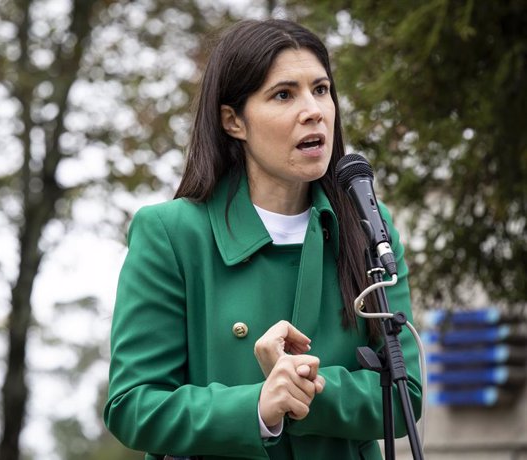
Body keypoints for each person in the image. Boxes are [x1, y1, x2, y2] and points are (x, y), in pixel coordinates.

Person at [103, 18, 422, 460]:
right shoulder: (172, 234)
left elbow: (408, 397)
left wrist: (310, 390)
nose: (313, 110)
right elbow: (133, 405)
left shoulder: (369, 224)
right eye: (284, 94)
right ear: (233, 121)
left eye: (322, 89)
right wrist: (257, 406)